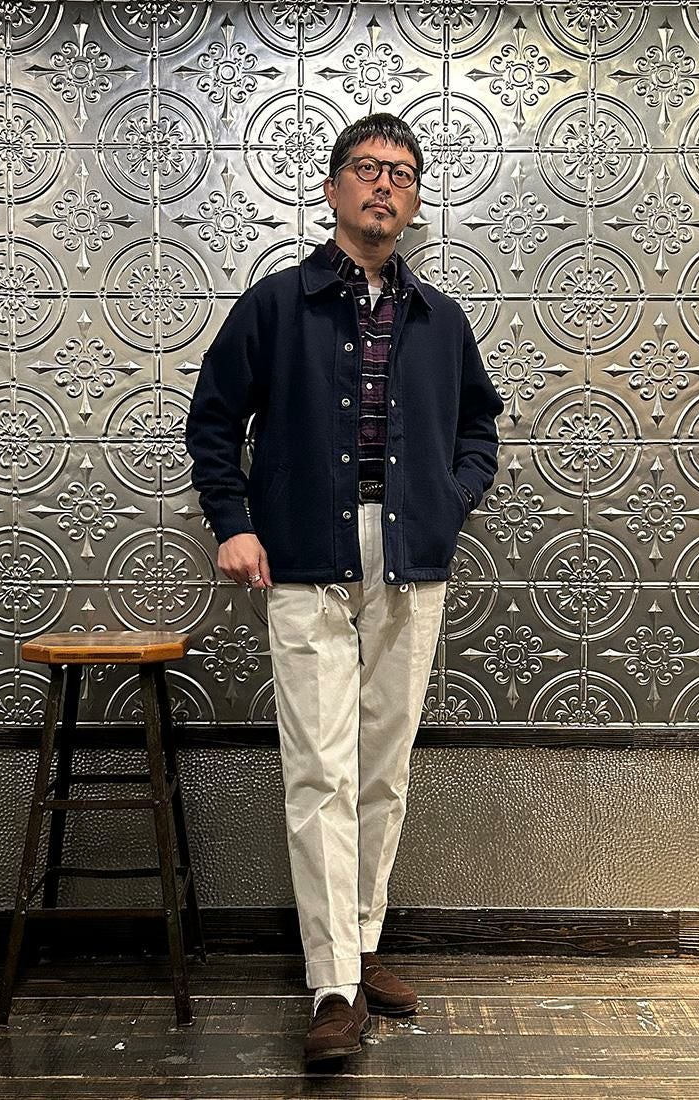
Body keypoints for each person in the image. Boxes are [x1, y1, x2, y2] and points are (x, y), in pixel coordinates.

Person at [185, 113, 502, 1064]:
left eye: (402, 173)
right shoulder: (276, 305)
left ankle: (361, 948)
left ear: (416, 199)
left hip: (409, 553)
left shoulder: (440, 319)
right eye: (366, 168)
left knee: (382, 768)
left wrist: (449, 499)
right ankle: (331, 986)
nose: (384, 185)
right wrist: (234, 523)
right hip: (303, 555)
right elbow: (213, 422)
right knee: (318, 770)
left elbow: (479, 429)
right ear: (332, 189)